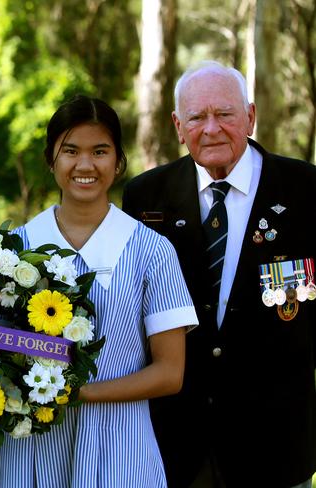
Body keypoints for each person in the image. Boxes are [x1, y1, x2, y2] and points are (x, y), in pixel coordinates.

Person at [0, 95, 198, 487]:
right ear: (51, 160)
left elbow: (170, 373)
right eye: (70, 151)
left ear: (118, 162)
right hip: (26, 454)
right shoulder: (11, 251)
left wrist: (76, 393)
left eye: (100, 151)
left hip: (122, 452)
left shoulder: (152, 251)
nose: (85, 165)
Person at [122, 60, 316, 488]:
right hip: (175, 446)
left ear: (250, 116)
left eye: (225, 114)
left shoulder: (306, 189)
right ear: (177, 124)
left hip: (275, 446)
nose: (211, 129)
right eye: (196, 117)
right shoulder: (145, 195)